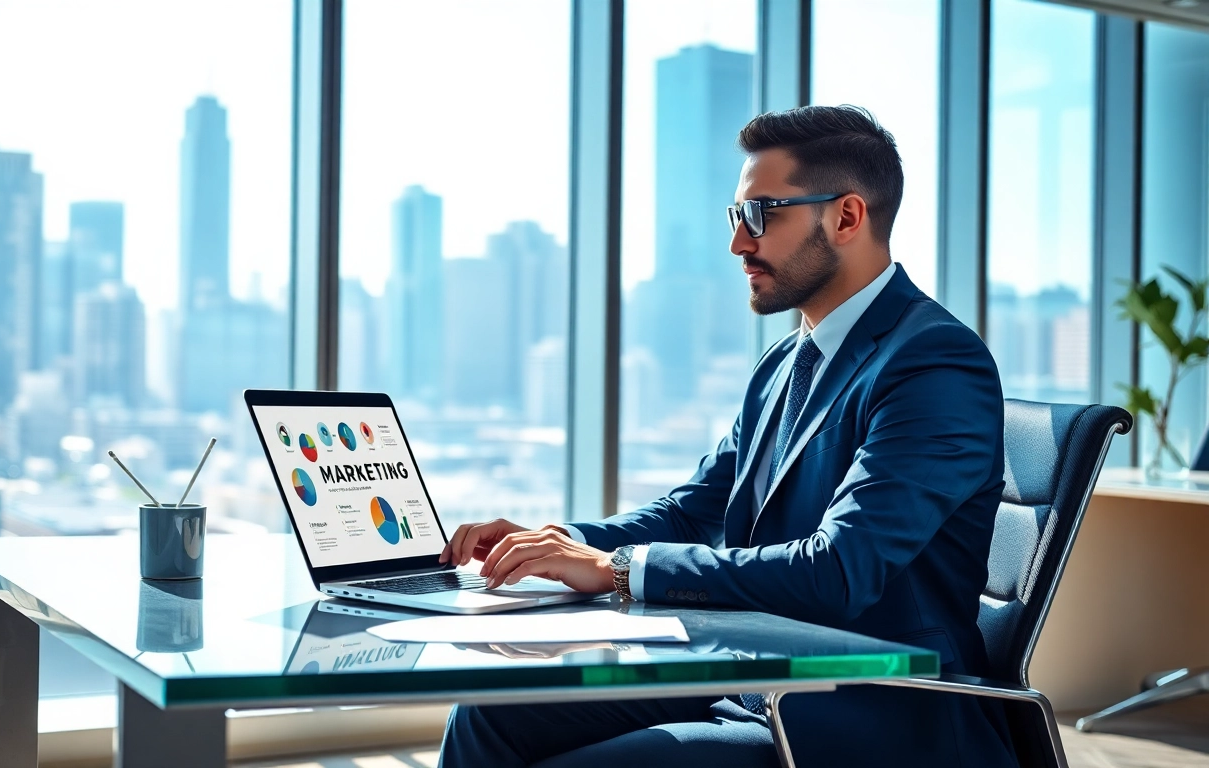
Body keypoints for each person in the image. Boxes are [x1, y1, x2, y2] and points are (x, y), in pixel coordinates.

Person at [436, 105, 1018, 767]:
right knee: (488, 709)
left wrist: (622, 570)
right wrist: (558, 544)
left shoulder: (934, 362)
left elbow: (841, 569)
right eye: (736, 217)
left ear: (848, 217)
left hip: (865, 711)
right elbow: (697, 508)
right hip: (751, 678)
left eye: (761, 215)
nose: (740, 244)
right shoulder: (782, 364)